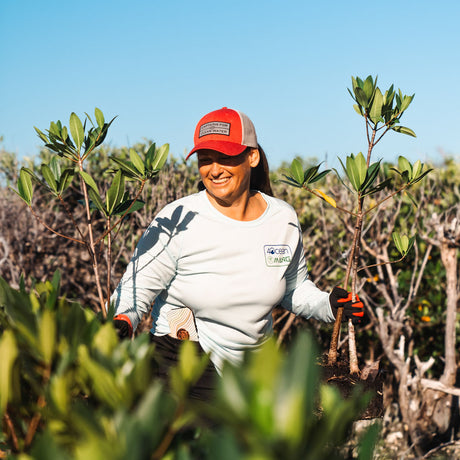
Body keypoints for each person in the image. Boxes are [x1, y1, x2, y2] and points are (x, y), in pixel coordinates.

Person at [111, 107, 364, 400]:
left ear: (252, 157)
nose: (214, 170)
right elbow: (137, 287)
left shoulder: (282, 219)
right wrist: (122, 321)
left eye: (225, 157)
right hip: (184, 360)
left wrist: (329, 306)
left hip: (253, 371)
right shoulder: (178, 217)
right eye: (205, 160)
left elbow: (293, 288)